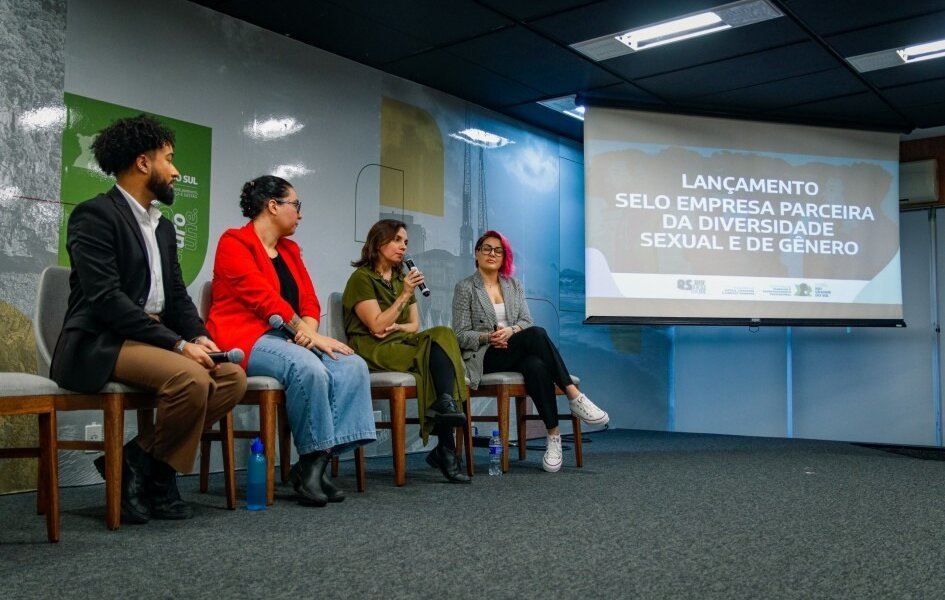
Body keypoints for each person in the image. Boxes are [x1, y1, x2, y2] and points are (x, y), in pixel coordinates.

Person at [50, 115, 247, 523]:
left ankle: (140, 463)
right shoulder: (93, 216)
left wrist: (198, 335)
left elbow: (176, 295)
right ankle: (158, 476)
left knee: (231, 378)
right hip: (101, 340)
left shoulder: (162, 227)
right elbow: (106, 301)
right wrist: (177, 344)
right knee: (191, 379)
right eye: (169, 159)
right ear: (143, 163)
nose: (175, 171)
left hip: (151, 337)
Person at [207, 175, 376, 506]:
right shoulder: (234, 242)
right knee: (307, 366)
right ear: (272, 206)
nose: (300, 213)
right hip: (247, 338)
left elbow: (309, 300)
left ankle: (314, 465)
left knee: (352, 365)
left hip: (289, 337)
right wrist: (308, 337)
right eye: (295, 205)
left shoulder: (290, 250)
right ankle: (312, 461)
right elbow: (264, 299)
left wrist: (307, 332)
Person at [451, 230, 609, 473]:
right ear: (477, 253)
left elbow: (525, 320)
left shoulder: (514, 285)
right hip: (486, 356)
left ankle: (553, 437)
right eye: (487, 249)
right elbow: (460, 334)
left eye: (498, 250)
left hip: (515, 350)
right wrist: (488, 337)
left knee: (536, 365)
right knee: (537, 334)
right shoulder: (465, 288)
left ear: (504, 257)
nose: (492, 254)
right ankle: (574, 396)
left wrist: (511, 331)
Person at [343, 219, 470, 483]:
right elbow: (376, 325)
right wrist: (404, 295)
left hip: (400, 341)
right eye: (397, 240)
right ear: (379, 242)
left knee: (443, 334)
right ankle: (446, 445)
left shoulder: (402, 279)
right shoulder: (361, 278)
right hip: (372, 348)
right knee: (431, 360)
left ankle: (444, 408)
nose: (403, 247)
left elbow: (414, 326)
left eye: (406, 242)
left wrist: (397, 325)